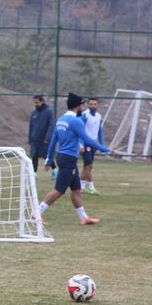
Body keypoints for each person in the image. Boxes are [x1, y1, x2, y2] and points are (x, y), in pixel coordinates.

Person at [40, 93, 110, 225]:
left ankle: (83, 217)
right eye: (82, 104)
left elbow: (53, 140)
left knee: (76, 189)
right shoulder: (76, 121)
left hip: (63, 157)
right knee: (59, 189)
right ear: (78, 106)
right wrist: (104, 149)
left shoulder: (61, 119)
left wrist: (49, 159)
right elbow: (87, 139)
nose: (83, 107)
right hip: (68, 159)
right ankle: (37, 213)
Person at [81, 97, 104, 195]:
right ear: (88, 104)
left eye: (95, 104)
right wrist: (81, 144)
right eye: (91, 104)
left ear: (97, 105)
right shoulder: (84, 115)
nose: (93, 106)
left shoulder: (98, 116)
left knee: (87, 166)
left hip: (94, 143)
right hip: (86, 143)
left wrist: (102, 145)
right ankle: (91, 187)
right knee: (89, 165)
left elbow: (99, 131)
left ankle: (81, 186)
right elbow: (80, 130)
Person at [28, 94, 54, 172]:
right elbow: (31, 126)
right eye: (34, 102)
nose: (35, 104)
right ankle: (34, 173)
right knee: (34, 156)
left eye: (37, 103)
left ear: (42, 101)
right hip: (35, 140)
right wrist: (30, 138)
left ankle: (55, 170)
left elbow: (51, 125)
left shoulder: (48, 111)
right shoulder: (34, 113)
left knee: (46, 156)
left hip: (44, 140)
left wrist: (47, 138)